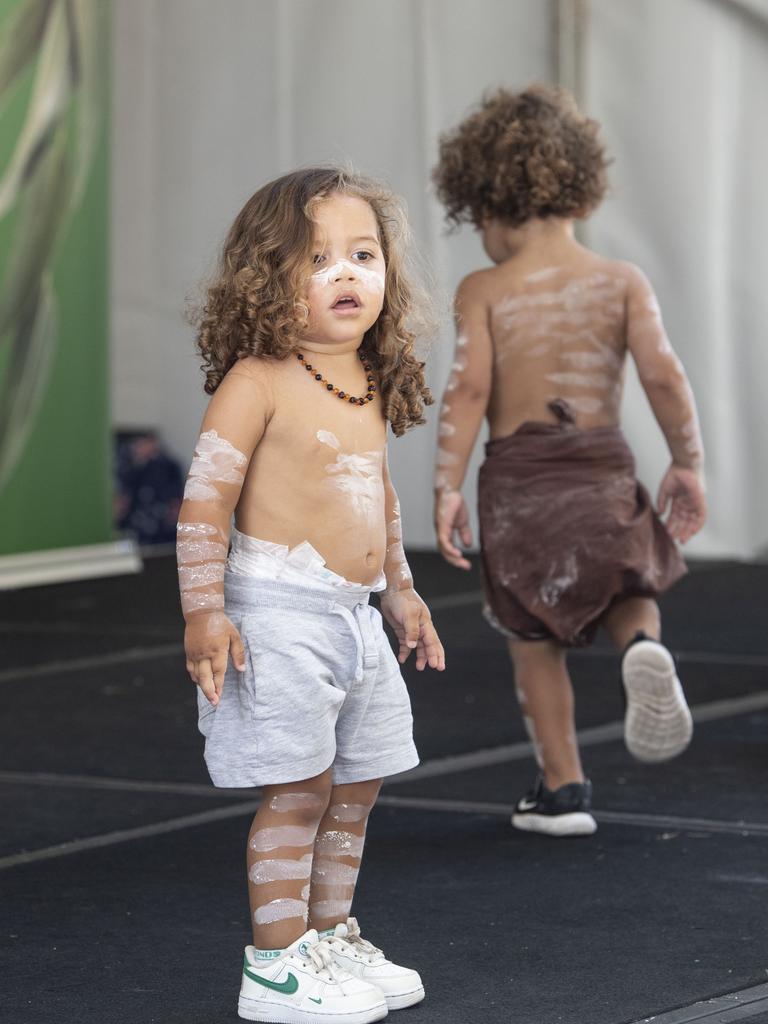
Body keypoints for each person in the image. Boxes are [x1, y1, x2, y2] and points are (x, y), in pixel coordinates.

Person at [177, 168, 444, 1022]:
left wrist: (401, 589)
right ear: (266, 275)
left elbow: (379, 495)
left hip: (353, 618)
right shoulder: (257, 381)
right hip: (280, 616)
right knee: (298, 790)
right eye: (318, 257)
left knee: (355, 788)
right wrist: (203, 612)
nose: (348, 274)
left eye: (363, 255)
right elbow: (204, 501)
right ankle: (275, 964)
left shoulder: (364, 377)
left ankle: (326, 939)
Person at [431, 86, 706, 838]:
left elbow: (469, 389)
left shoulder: (485, 288)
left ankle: (563, 790)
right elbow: (663, 377)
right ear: (578, 188)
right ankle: (643, 646)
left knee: (533, 639)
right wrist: (688, 462)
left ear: (485, 203)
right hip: (600, 463)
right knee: (628, 578)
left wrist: (445, 487)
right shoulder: (621, 281)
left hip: (522, 479)